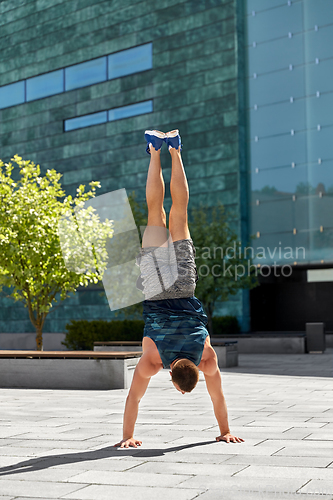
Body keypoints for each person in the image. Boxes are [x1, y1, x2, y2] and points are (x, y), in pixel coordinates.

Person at [114, 129, 244, 448]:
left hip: (184, 285)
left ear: (195, 369)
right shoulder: (152, 360)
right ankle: (155, 150)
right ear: (172, 378)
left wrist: (226, 429)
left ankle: (174, 149)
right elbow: (134, 398)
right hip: (156, 288)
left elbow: (219, 398)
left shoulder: (208, 358)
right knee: (155, 211)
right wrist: (128, 436)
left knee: (179, 212)